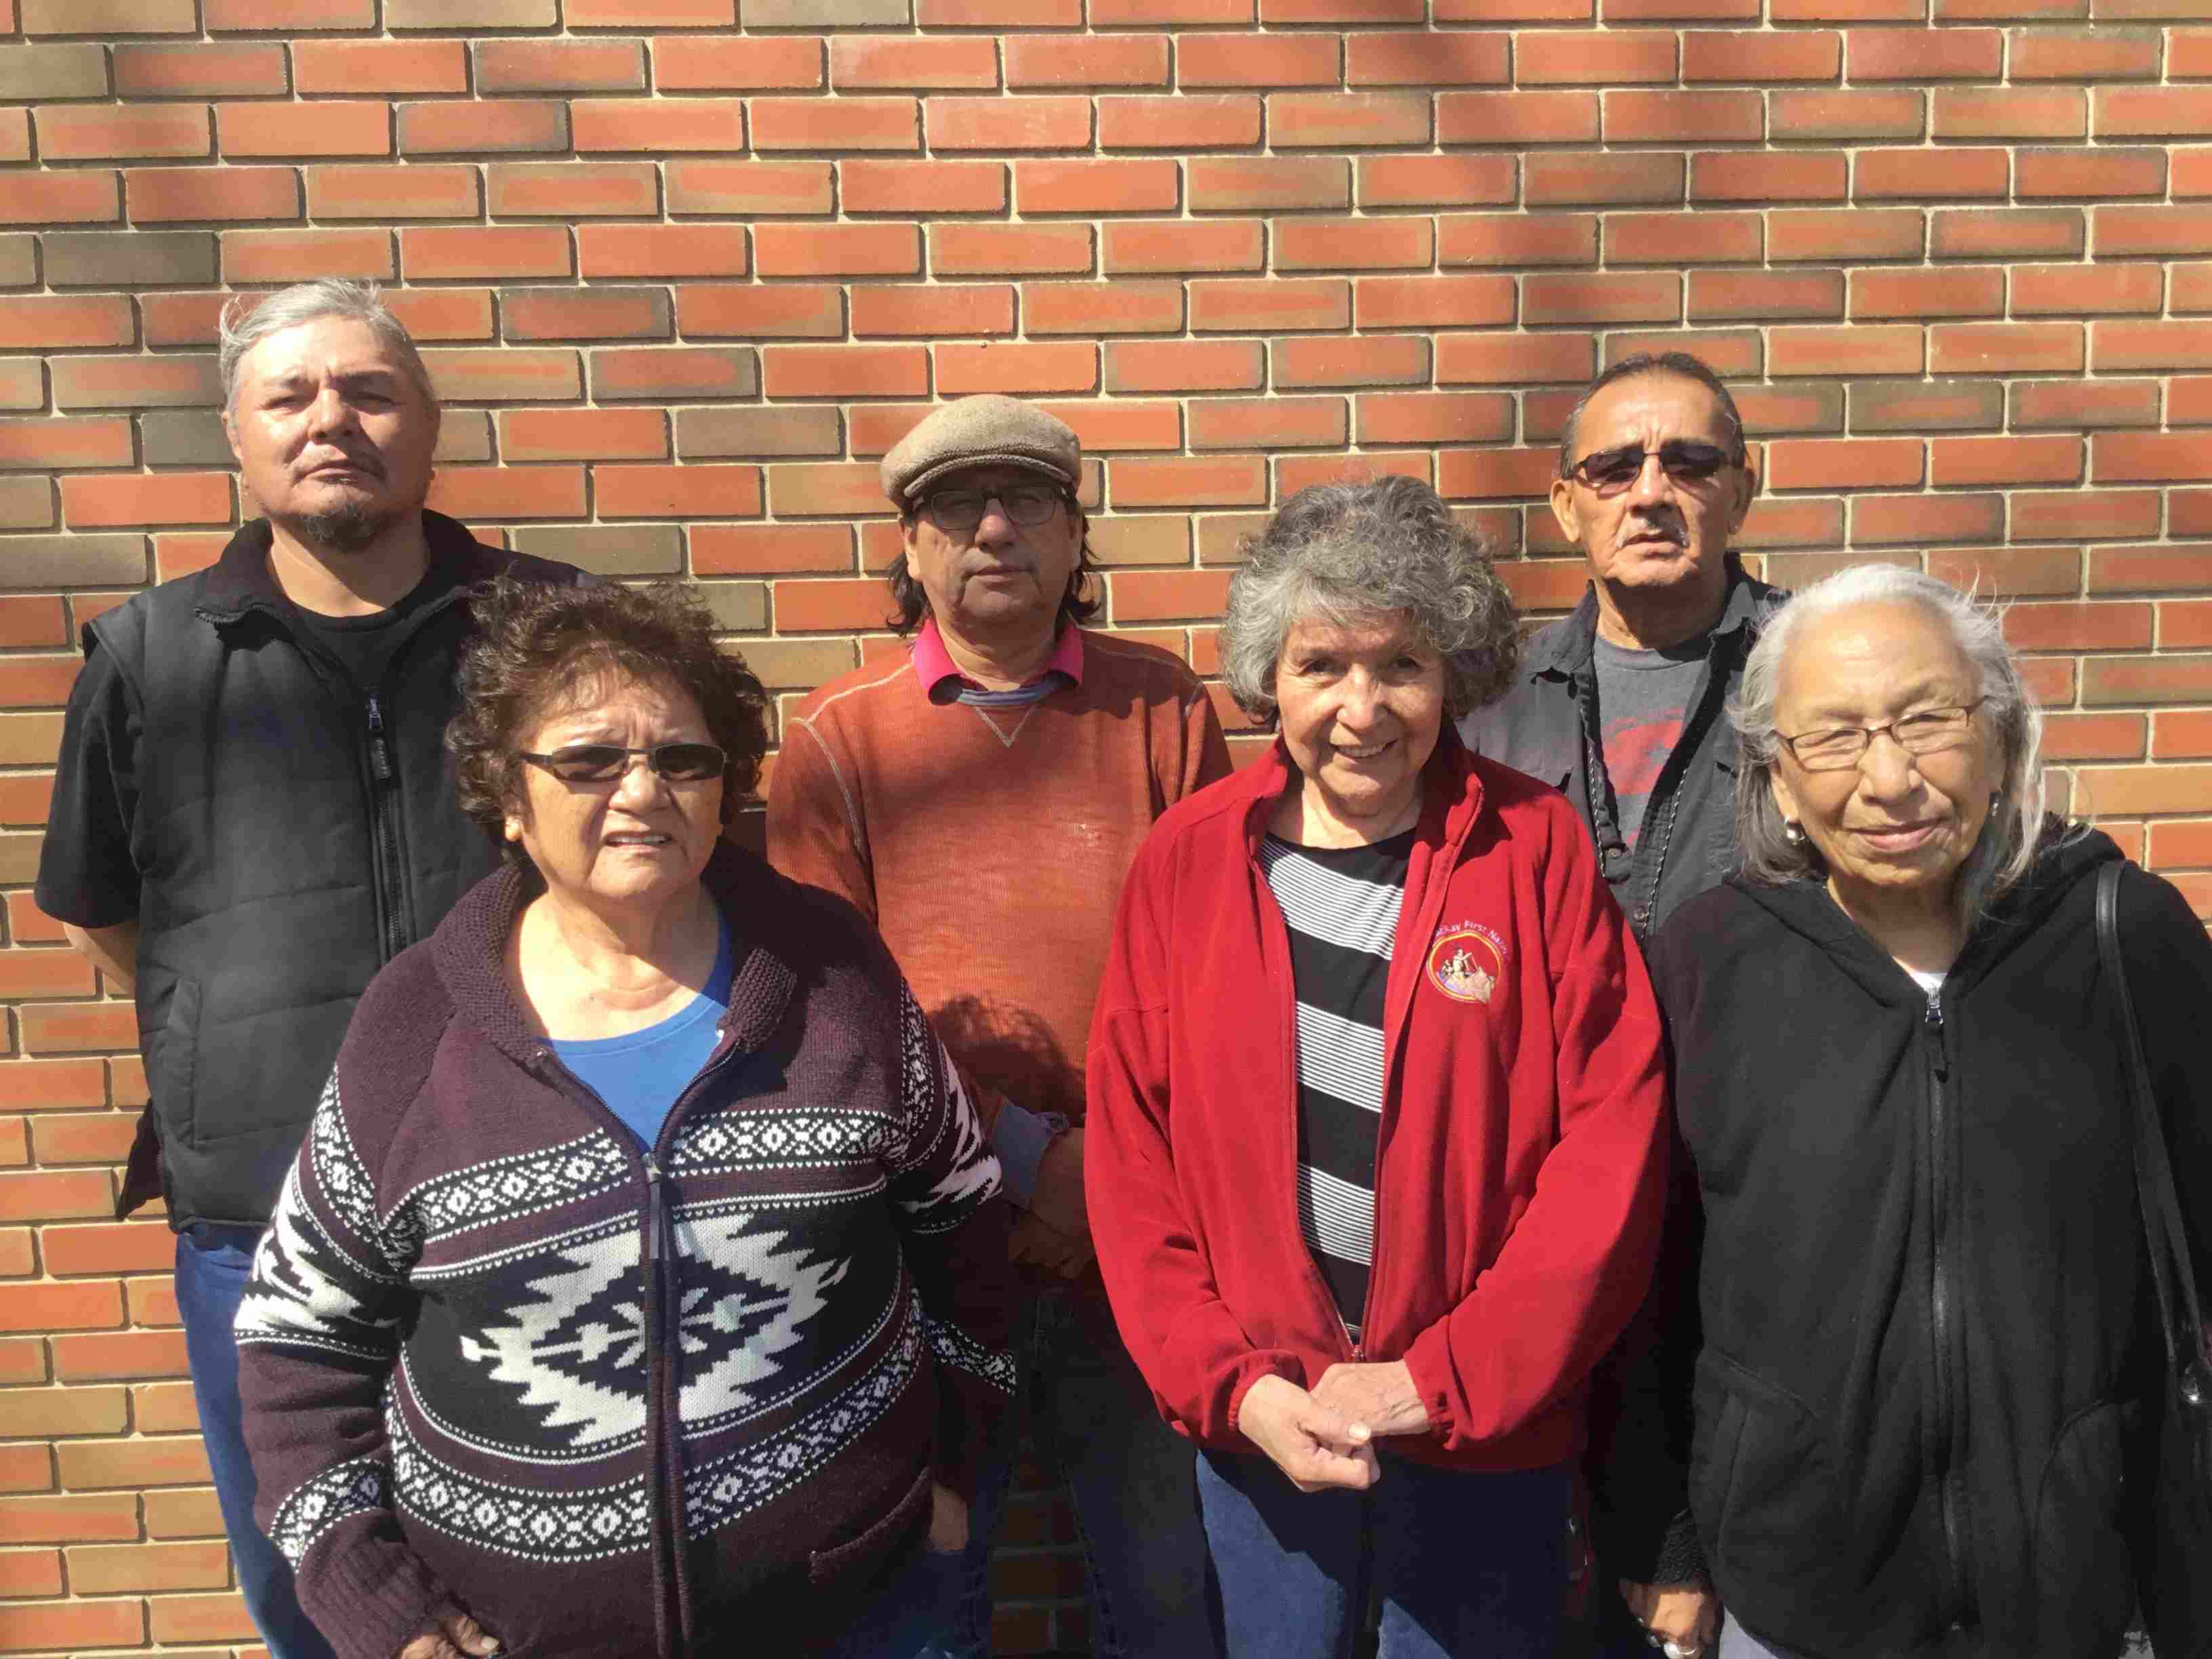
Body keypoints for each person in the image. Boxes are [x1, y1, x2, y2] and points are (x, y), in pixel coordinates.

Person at [233, 578, 1018, 1659]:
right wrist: (383, 1611)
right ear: (509, 798)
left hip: (858, 1607)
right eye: (591, 760)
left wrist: (955, 1473)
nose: (642, 790)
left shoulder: (836, 978)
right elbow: (299, 1341)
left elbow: (964, 1222)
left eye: (682, 759)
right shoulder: (412, 1026)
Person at [33, 279, 585, 1659]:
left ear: (429, 425)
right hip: (259, 1209)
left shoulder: (555, 632)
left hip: (539, 1178)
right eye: (291, 396)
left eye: (369, 390)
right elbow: (107, 913)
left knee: (554, 1562)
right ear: (238, 434)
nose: (331, 419)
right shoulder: (150, 658)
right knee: (312, 1583)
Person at [1084, 476, 1673, 1659]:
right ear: (1268, 679)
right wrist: (1235, 1387)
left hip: (1477, 1435)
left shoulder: (1531, 846)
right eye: (1320, 667)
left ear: (1448, 669)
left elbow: (1611, 1143)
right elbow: (1130, 1156)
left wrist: (1440, 1378)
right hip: (1264, 1427)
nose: (1360, 708)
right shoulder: (1187, 861)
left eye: (1397, 665)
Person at [1620, 564, 2212, 1659]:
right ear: (1777, 780)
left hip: (2078, 1594)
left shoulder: (2124, 936)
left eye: (1925, 720)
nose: (1888, 778)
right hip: (1791, 1594)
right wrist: (1664, 1546)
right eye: (1834, 737)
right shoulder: (1707, 964)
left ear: (1996, 737)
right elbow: (1647, 1289)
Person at [766, 394, 1231, 1659]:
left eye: (1025, 500)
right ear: (907, 551)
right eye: (951, 508)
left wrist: (1103, 1175)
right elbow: (832, 1014)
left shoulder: (1163, 705)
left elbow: (1220, 966)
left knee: (1161, 1579)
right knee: (932, 1586)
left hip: (1141, 1224)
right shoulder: (835, 737)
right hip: (924, 1236)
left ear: (1076, 535)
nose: (991, 529)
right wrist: (1029, 1162)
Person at [1461, 351, 1778, 943]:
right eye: (1613, 468)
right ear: (1566, 509)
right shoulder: (1495, 697)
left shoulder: (1815, 670)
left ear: (1740, 494)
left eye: (1689, 463)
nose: (1651, 493)